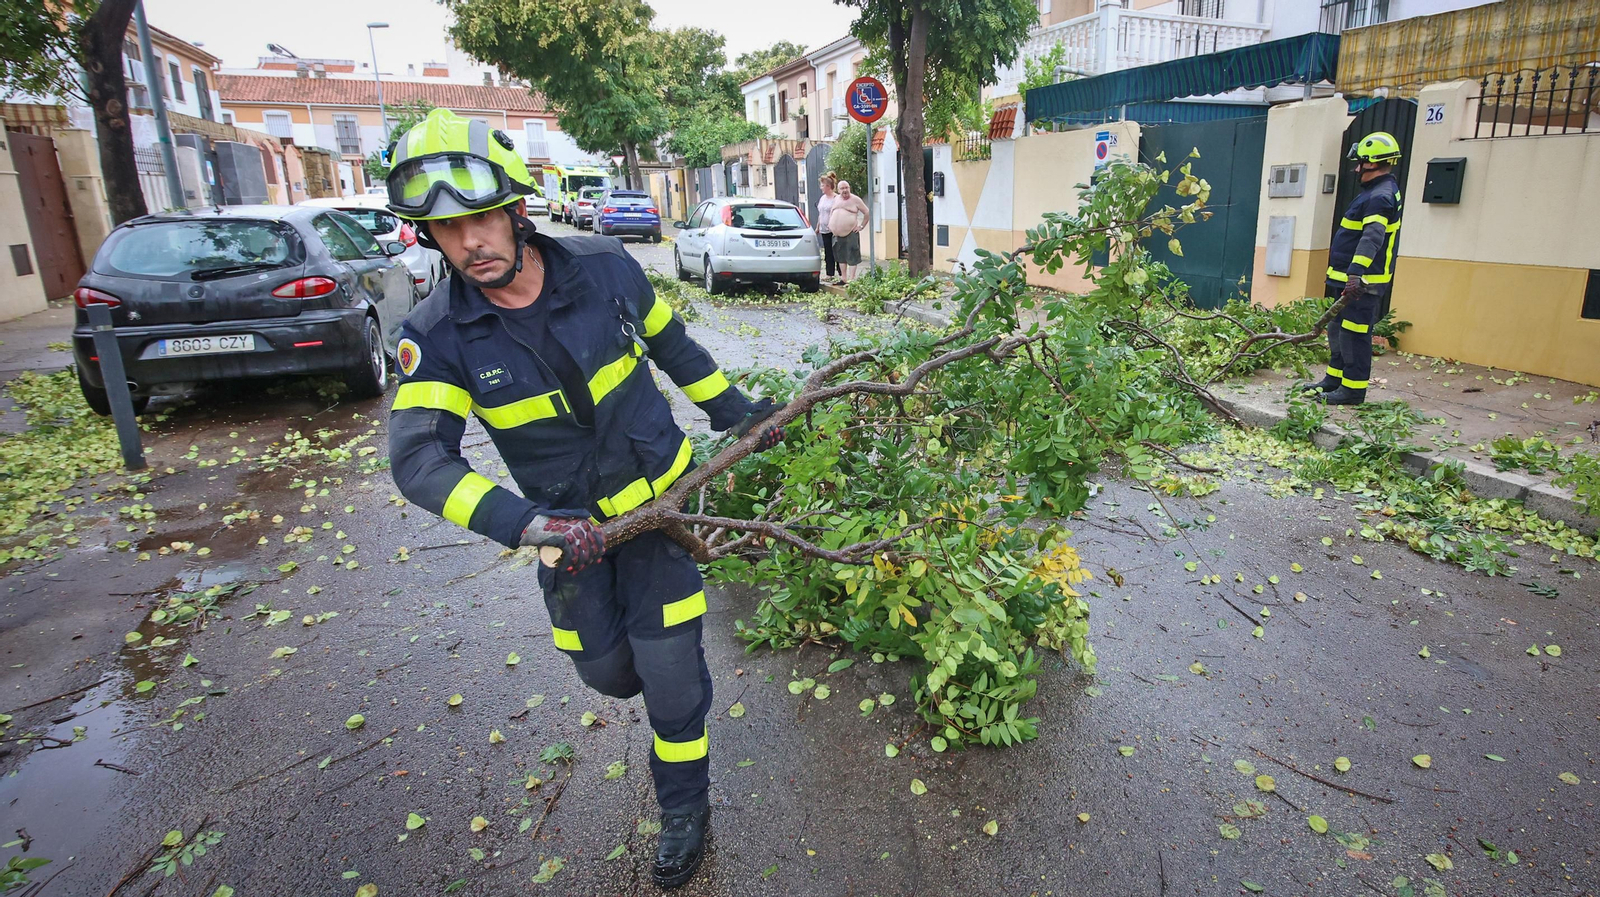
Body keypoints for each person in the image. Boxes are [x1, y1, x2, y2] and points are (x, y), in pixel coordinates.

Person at [382, 108, 783, 890]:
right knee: (606, 672)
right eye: (446, 231)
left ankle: (684, 812)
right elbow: (418, 461)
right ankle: (645, 668)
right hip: (571, 540)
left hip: (663, 514)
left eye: (479, 220)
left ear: (516, 209)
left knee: (671, 683)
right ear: (428, 238)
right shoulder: (437, 334)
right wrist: (527, 526)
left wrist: (738, 411)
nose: (469, 244)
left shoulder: (605, 270)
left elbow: (674, 347)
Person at [1305, 131, 1404, 406]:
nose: (1357, 168)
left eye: (1361, 162)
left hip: (1362, 283)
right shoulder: (1374, 192)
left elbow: (1372, 237)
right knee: (1338, 330)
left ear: (1373, 163)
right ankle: (1334, 380)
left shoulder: (1379, 197)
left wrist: (1355, 275)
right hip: (1351, 280)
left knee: (1355, 334)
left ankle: (1353, 390)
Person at [828, 179, 871, 284]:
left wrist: (861, 226)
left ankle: (852, 279)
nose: (845, 190)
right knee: (840, 257)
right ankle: (843, 278)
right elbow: (832, 211)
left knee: (852, 256)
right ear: (838, 190)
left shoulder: (855, 199)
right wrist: (830, 224)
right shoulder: (836, 199)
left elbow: (867, 212)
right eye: (842, 188)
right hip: (837, 234)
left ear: (849, 188)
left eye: (846, 188)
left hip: (850, 233)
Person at [816, 173, 839, 283]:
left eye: (822, 185)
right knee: (828, 252)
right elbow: (820, 214)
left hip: (834, 230)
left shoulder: (836, 198)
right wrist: (817, 226)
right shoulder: (822, 198)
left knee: (837, 251)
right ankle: (830, 274)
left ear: (828, 186)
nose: (821, 187)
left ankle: (841, 273)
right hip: (824, 229)